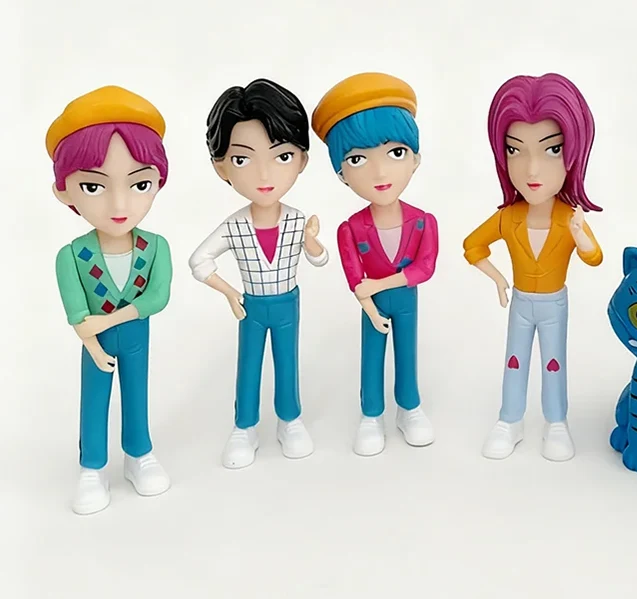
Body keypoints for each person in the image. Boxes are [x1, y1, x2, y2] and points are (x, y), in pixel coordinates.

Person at [462, 73, 603, 462]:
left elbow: (595, 257)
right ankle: (510, 420)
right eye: (515, 150)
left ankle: (556, 422)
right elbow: (472, 245)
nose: (532, 170)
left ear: (574, 152)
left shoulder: (568, 217)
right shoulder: (508, 217)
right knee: (514, 361)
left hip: (554, 303)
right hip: (522, 302)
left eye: (552, 149)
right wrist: (497, 278)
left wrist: (581, 236)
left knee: (554, 363)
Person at [189, 79, 327, 469]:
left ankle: (290, 420)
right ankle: (244, 426)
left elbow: (320, 260)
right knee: (248, 365)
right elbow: (199, 261)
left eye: (281, 156)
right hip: (250, 304)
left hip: (287, 303)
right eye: (242, 159)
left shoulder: (297, 219)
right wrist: (230, 292)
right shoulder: (234, 226)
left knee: (287, 361)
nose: (264, 174)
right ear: (221, 167)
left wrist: (312, 241)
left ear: (301, 160)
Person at [49, 85, 173, 514]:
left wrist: (108, 320)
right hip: (95, 344)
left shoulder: (155, 247)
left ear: (158, 183)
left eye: (140, 184)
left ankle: (139, 454)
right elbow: (77, 313)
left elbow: (158, 296)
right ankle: (92, 466)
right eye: (93, 186)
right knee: (94, 398)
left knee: (137, 394)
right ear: (65, 191)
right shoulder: (71, 255)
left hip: (135, 336)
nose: (120, 204)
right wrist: (92, 338)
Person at [311, 73, 438, 457]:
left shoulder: (423, 222)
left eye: (395, 153)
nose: (379, 173)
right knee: (372, 356)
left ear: (415, 159)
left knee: (407, 354)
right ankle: (371, 415)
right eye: (357, 159)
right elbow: (355, 279)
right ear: (341, 174)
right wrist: (368, 304)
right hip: (373, 307)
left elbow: (424, 269)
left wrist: (379, 286)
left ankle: (409, 408)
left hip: (403, 300)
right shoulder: (350, 228)